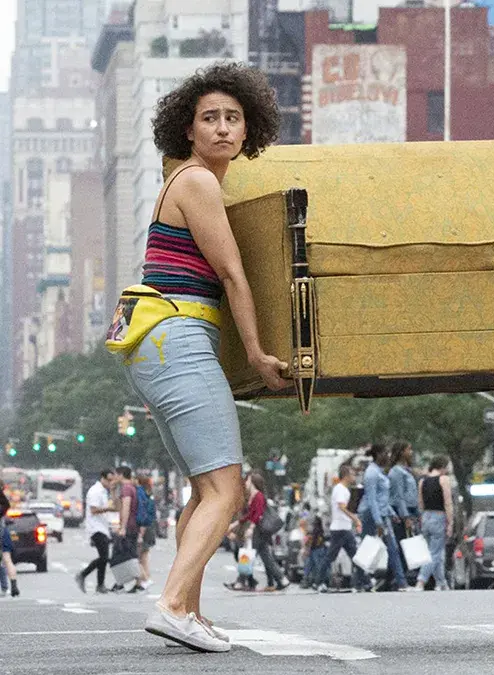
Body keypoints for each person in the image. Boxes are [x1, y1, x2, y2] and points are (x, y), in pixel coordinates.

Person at [121, 61, 288, 652]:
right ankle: (169, 604)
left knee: (201, 488)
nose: (221, 128)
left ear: (248, 130)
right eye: (209, 118)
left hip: (160, 345)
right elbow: (231, 274)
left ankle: (187, 609)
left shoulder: (190, 180)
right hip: (180, 339)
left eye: (232, 118)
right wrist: (259, 355)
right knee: (227, 489)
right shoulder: (197, 182)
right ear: (187, 130)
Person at [357, 444, 406, 591]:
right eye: (386, 453)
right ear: (378, 454)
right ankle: (361, 581)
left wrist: (392, 513)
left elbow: (382, 498)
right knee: (368, 548)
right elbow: (371, 500)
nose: (388, 456)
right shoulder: (371, 473)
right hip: (371, 515)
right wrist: (378, 521)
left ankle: (400, 582)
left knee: (392, 548)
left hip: (383, 514)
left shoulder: (379, 472)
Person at [232, 472, 286, 592]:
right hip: (258, 531)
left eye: (248, 481)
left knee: (248, 555)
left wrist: (250, 528)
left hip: (258, 530)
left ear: (253, 483)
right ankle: (282, 579)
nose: (246, 483)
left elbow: (257, 514)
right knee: (265, 557)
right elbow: (250, 514)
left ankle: (240, 581)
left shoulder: (259, 496)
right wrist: (237, 523)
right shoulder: (254, 496)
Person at [319, 464, 365, 593]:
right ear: (346, 475)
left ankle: (363, 582)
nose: (354, 477)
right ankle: (320, 581)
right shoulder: (340, 489)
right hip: (340, 528)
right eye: (352, 474)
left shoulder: (344, 489)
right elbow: (342, 506)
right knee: (332, 556)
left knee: (355, 556)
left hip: (343, 527)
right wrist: (355, 519)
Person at [76, 469, 119, 594]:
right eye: (109, 480)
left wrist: (113, 491)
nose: (111, 483)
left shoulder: (103, 491)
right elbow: (94, 510)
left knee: (103, 557)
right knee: (104, 557)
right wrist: (108, 509)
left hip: (102, 527)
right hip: (95, 528)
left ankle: (100, 584)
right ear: (103, 478)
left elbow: (115, 505)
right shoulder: (95, 491)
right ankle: (83, 574)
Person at [415, 456, 454, 591]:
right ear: (443, 466)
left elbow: (420, 502)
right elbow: (447, 502)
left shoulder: (422, 481)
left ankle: (441, 582)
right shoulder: (444, 480)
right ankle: (421, 580)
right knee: (435, 553)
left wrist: (421, 518)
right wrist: (450, 522)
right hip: (439, 516)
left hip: (426, 516)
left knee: (435, 551)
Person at [388, 440, 420, 574]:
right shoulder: (396, 472)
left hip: (410, 510)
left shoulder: (406, 470)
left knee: (407, 545)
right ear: (401, 452)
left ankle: (398, 577)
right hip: (401, 512)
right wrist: (405, 516)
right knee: (402, 545)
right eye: (408, 449)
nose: (411, 452)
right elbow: (399, 496)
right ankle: (396, 577)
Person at [133, 474, 159, 593]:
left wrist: (140, 533)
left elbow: (142, 514)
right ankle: (141, 581)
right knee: (144, 556)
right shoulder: (149, 494)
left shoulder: (140, 493)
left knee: (136, 556)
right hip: (151, 527)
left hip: (144, 527)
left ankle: (145, 578)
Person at [0, 484, 17, 597]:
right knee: (7, 559)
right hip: (2, 530)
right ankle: (13, 586)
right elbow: (6, 506)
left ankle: (5, 586)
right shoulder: (3, 502)